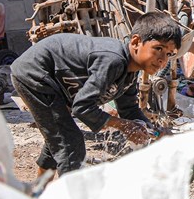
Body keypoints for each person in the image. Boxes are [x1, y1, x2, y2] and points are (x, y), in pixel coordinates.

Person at [10, 11, 182, 178]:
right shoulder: (113, 61)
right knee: (70, 143)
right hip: (35, 73)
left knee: (59, 133)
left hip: (54, 82)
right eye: (158, 48)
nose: (163, 59)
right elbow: (82, 107)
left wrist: (155, 130)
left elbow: (129, 109)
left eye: (168, 54)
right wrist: (123, 125)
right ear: (136, 42)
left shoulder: (130, 71)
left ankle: (40, 190)